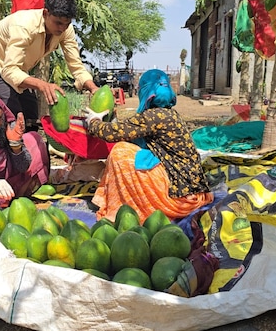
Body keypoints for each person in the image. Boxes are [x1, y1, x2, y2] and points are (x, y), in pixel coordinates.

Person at [84, 69, 214, 223]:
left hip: (181, 199)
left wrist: (93, 122)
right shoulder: (168, 114)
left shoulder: (154, 117)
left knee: (120, 153)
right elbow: (130, 131)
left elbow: (112, 134)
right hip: (191, 190)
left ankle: (127, 209)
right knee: (129, 150)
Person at [0, 0, 98, 129]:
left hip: (18, 70)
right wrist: (43, 85)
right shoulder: (23, 26)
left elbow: (75, 65)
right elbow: (9, 69)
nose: (62, 28)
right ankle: (2, 148)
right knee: (13, 116)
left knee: (31, 115)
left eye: (66, 24)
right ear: (45, 13)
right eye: (58, 23)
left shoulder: (66, 30)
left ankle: (30, 147)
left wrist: (93, 87)